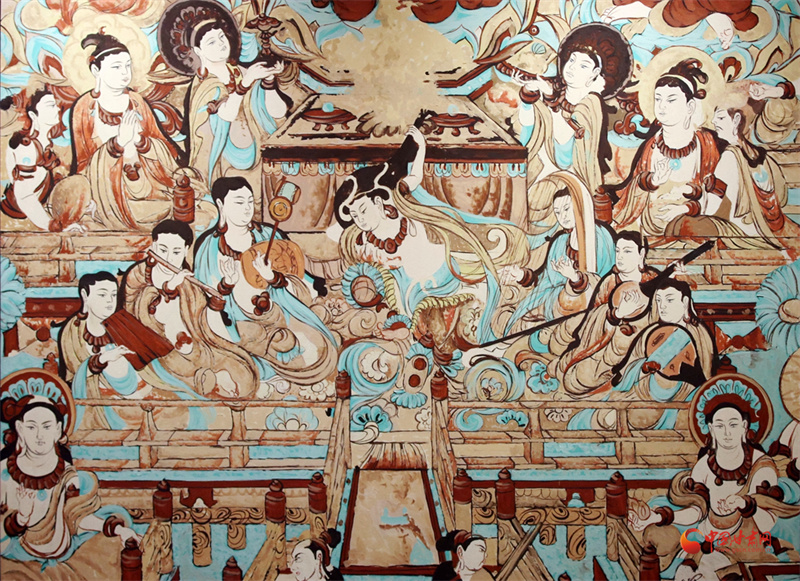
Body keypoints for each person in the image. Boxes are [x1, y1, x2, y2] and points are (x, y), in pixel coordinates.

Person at [629, 375, 800, 580]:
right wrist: (657, 517)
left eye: (733, 424)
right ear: (711, 429)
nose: (727, 433)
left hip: (746, 546)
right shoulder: (704, 466)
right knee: (684, 573)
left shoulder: (761, 467)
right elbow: (697, 511)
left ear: (745, 427)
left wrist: (744, 504)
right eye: (720, 425)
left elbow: (767, 521)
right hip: (706, 542)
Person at [194, 177, 338, 389]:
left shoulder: (270, 235)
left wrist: (272, 278)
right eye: (239, 202)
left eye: (250, 202)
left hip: (282, 315)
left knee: (318, 349)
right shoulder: (209, 249)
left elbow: (302, 285)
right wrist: (227, 284)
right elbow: (204, 303)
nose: (247, 209)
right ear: (221, 205)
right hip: (239, 325)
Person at [0, 374, 140, 578]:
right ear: (19, 429)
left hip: (66, 553)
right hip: (19, 559)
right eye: (31, 427)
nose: (39, 435)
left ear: (58, 430)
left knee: (117, 548)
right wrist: (21, 520)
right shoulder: (4, 474)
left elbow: (76, 519)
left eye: (47, 426)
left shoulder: (67, 473)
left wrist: (117, 530)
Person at [69, 31, 206, 231]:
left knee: (184, 190)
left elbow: (163, 147)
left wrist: (141, 142)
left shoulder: (137, 102)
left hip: (148, 182)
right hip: (107, 190)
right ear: (96, 70)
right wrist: (118, 144)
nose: (125, 73)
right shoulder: (84, 107)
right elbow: (83, 163)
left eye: (128, 66)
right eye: (116, 67)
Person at [508, 23, 632, 229]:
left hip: (570, 182)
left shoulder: (591, 104)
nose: (573, 68)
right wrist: (529, 97)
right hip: (540, 172)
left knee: (534, 205)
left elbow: (565, 152)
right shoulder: (555, 95)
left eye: (583, 65)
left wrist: (550, 99)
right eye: (572, 60)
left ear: (595, 73)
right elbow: (528, 132)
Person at [121, 219, 261, 399]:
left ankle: (213, 380)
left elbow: (204, 323)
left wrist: (224, 288)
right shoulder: (138, 275)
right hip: (160, 353)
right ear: (153, 246)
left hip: (197, 347)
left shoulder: (189, 283)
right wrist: (169, 288)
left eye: (176, 252)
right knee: (184, 371)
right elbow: (141, 316)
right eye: (162, 250)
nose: (168, 258)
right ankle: (207, 383)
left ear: (185, 251)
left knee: (244, 374)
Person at [159, 0, 289, 190]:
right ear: (198, 51)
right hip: (223, 164)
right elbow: (225, 115)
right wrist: (245, 84)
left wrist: (269, 81)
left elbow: (278, 112)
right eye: (212, 42)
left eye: (222, 37)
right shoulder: (205, 85)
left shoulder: (243, 73)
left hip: (258, 155)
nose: (221, 44)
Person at [571, 279, 716, 431]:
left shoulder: (699, 334)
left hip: (683, 395)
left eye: (670, 300)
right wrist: (642, 369)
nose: (663, 306)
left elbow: (706, 373)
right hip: (642, 393)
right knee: (594, 420)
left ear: (685, 302)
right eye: (659, 300)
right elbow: (628, 368)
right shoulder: (650, 332)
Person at [609, 59, 721, 238]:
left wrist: (685, 208)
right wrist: (653, 181)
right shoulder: (651, 145)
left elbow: (717, 192)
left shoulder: (705, 143)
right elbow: (632, 194)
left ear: (690, 106)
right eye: (658, 99)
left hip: (691, 223)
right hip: (650, 224)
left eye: (671, 100)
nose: (662, 106)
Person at [666, 105, 800, 250]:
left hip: (742, 232)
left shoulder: (730, 156)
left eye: (720, 117)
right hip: (766, 227)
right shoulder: (762, 157)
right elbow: (781, 196)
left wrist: (685, 207)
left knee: (681, 225)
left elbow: (711, 208)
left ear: (736, 120)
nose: (713, 121)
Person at [546, 231, 660, 398]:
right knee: (566, 341)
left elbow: (655, 322)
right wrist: (615, 315)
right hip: (598, 339)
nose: (620, 257)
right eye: (618, 251)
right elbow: (593, 316)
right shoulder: (610, 282)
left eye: (627, 251)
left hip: (625, 347)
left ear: (641, 254)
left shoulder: (653, 280)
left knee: (577, 380)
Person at [499, 179, 615, 337]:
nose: (563, 216)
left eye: (566, 209)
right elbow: (544, 279)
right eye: (558, 212)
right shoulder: (560, 242)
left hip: (584, 308)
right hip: (552, 303)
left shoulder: (600, 237)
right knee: (519, 327)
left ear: (579, 206)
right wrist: (521, 275)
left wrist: (575, 279)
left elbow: (604, 281)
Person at [1, 89, 91, 232]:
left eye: (56, 104)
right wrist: (50, 225)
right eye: (50, 105)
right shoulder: (26, 148)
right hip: (24, 214)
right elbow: (24, 196)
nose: (57, 109)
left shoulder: (46, 146)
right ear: (33, 115)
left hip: (41, 208)